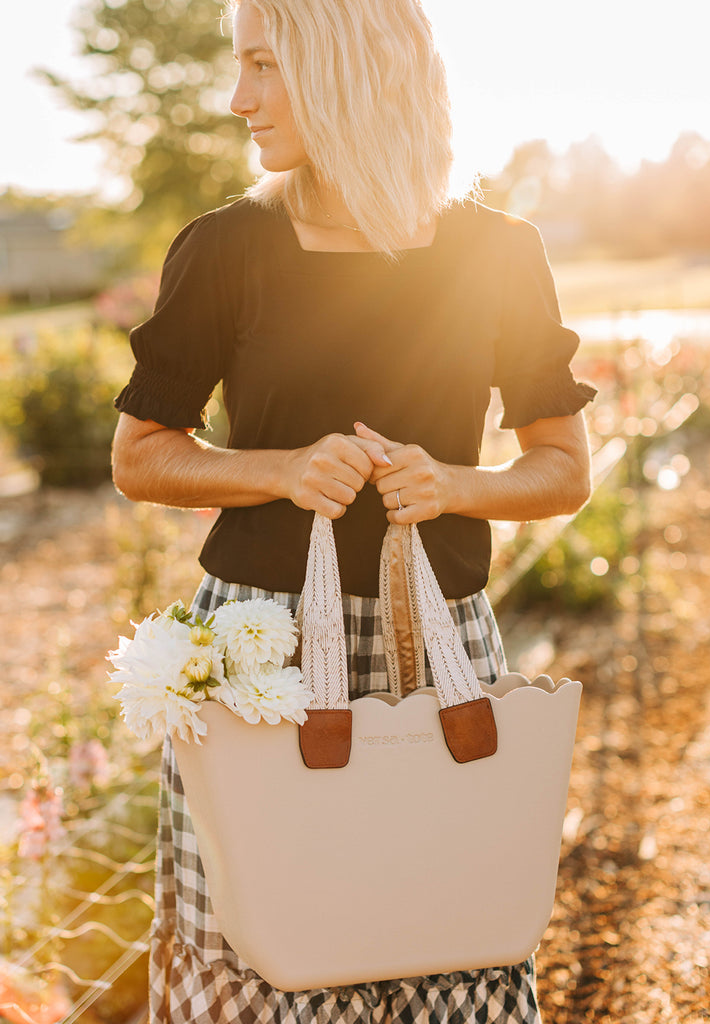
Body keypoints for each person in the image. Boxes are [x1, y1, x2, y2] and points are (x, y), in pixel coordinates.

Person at [112, 0, 596, 1021]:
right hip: (262, 656)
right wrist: (281, 468)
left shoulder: (497, 253)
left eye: (261, 66)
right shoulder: (228, 248)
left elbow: (561, 470)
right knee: (264, 944)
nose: (238, 100)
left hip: (442, 651)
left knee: (446, 933)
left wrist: (455, 486)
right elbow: (141, 456)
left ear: (340, 68)